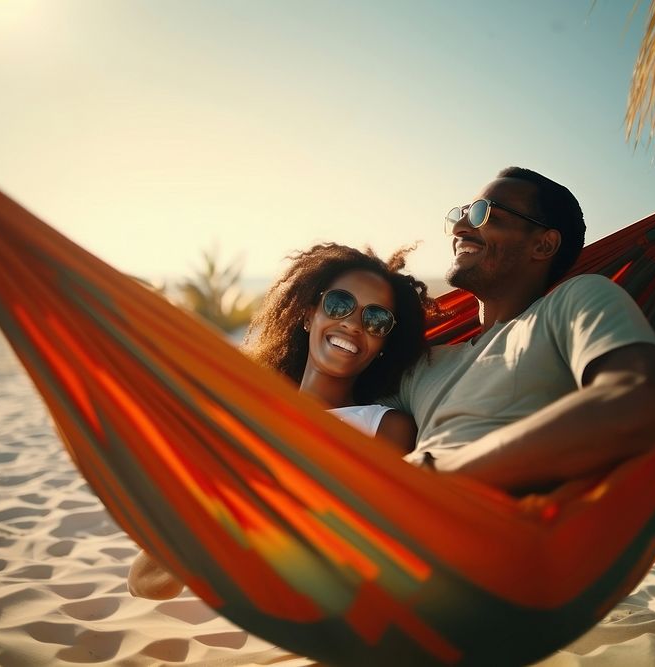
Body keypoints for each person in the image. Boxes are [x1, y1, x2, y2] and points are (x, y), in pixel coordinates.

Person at [128, 243, 433, 599]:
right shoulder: (248, 426)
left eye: (375, 319)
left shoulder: (385, 428)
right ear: (308, 315)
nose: (352, 324)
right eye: (339, 304)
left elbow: (369, 556)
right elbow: (145, 582)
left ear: (383, 343)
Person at [386, 167, 655, 494]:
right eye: (461, 214)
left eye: (482, 214)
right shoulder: (426, 364)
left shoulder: (571, 303)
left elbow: (644, 401)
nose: (460, 228)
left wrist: (440, 471)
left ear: (543, 245)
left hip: (477, 526)